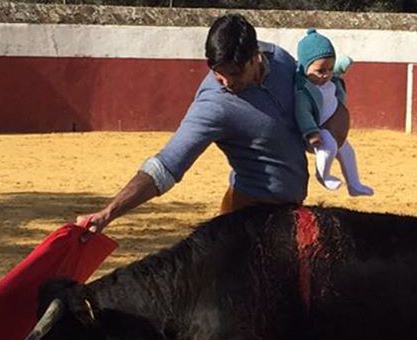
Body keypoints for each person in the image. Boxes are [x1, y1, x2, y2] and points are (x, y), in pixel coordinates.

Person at [77, 14, 347, 235]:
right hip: (246, 220)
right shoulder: (213, 104)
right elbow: (167, 165)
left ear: (255, 57)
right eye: (218, 75)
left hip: (290, 213)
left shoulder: (280, 60)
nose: (226, 83)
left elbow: (315, 104)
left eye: (233, 74)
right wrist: (109, 212)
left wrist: (335, 128)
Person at [294, 29, 373, 197]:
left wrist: (344, 63)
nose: (326, 75)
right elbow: (303, 113)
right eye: (320, 71)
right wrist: (311, 132)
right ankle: (323, 175)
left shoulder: (328, 78)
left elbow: (335, 68)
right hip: (319, 133)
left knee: (347, 152)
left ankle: (354, 185)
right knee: (329, 146)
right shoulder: (304, 91)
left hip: (335, 131)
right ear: (304, 67)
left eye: (330, 69)